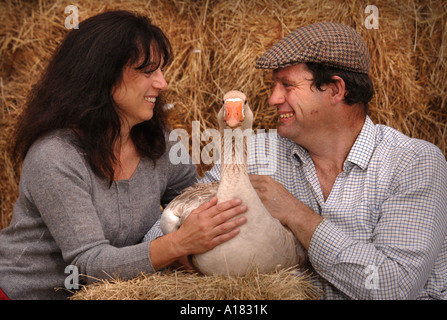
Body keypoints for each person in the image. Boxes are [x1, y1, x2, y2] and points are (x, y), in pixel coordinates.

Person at [0, 10, 247, 300]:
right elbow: (89, 266)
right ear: (102, 75)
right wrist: (179, 244)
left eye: (160, 70)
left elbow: (196, 203)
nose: (162, 83)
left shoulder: (163, 144)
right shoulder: (54, 156)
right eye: (147, 71)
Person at [202, 22, 447, 299]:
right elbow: (169, 231)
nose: (273, 99)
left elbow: (393, 286)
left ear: (335, 90)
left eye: (287, 86)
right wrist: (189, 257)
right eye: (275, 86)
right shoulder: (253, 155)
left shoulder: (413, 163)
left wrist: (294, 213)